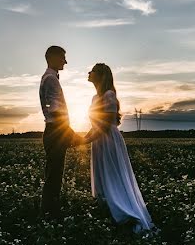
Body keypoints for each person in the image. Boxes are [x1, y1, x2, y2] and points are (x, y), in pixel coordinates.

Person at [82, 63, 154, 233]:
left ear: (100, 75)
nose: (88, 72)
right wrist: (83, 139)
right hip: (98, 141)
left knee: (113, 176)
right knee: (103, 175)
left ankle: (124, 214)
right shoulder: (95, 98)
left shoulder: (109, 95)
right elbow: (95, 125)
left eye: (92, 71)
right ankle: (108, 211)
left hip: (108, 141)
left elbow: (105, 125)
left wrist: (85, 140)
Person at [39, 45, 77, 218]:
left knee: (53, 174)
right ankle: (50, 213)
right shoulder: (51, 79)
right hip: (56, 132)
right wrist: (68, 132)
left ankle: (49, 210)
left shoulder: (48, 77)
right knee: (54, 176)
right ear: (52, 58)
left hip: (53, 131)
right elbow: (55, 110)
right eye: (63, 57)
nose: (65, 61)